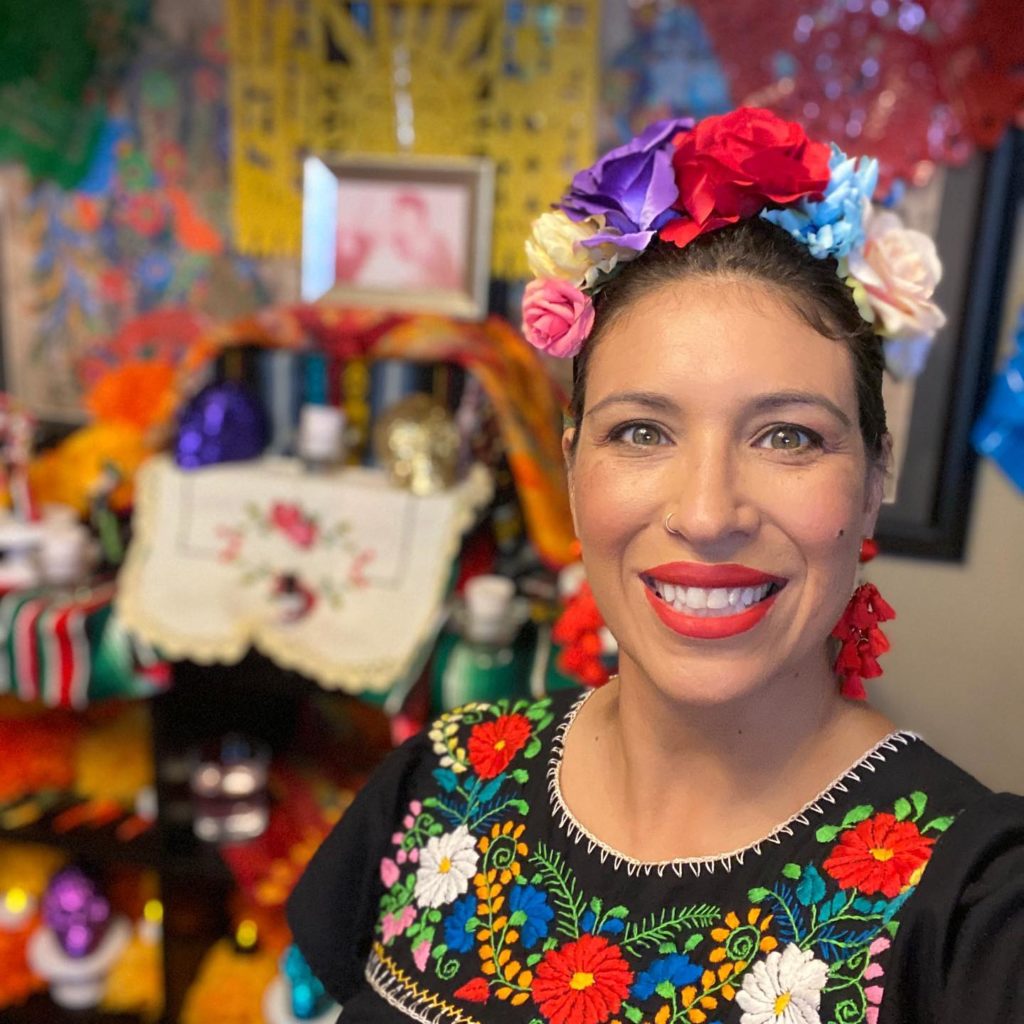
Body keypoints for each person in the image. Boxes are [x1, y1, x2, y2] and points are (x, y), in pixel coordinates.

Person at [288, 108, 1024, 1023]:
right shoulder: (441, 786)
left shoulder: (978, 913)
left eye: (788, 436)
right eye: (641, 432)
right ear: (572, 466)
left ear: (875, 479)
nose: (708, 514)